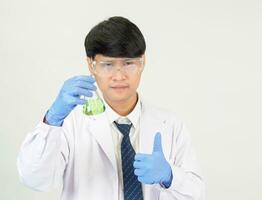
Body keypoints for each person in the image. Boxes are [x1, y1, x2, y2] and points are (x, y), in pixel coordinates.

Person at [17, 16, 205, 200]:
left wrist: (170, 177)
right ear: (91, 65)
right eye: (107, 64)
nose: (119, 76)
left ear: (143, 62)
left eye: (128, 64)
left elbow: (197, 193)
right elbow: (35, 180)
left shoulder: (170, 124)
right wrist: (52, 120)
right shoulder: (70, 123)